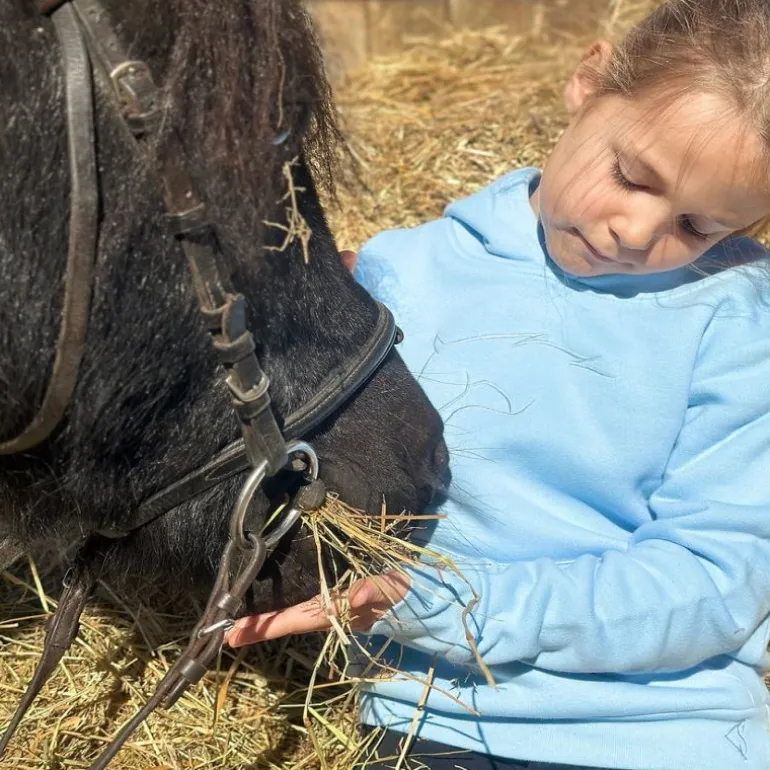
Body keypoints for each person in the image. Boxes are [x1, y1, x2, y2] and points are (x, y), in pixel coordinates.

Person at [226, 1, 770, 768]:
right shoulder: (399, 274)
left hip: (669, 731)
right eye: (630, 177)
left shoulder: (743, 322)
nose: (638, 233)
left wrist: (444, 605)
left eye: (700, 227)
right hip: (438, 723)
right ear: (587, 81)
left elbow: (716, 578)